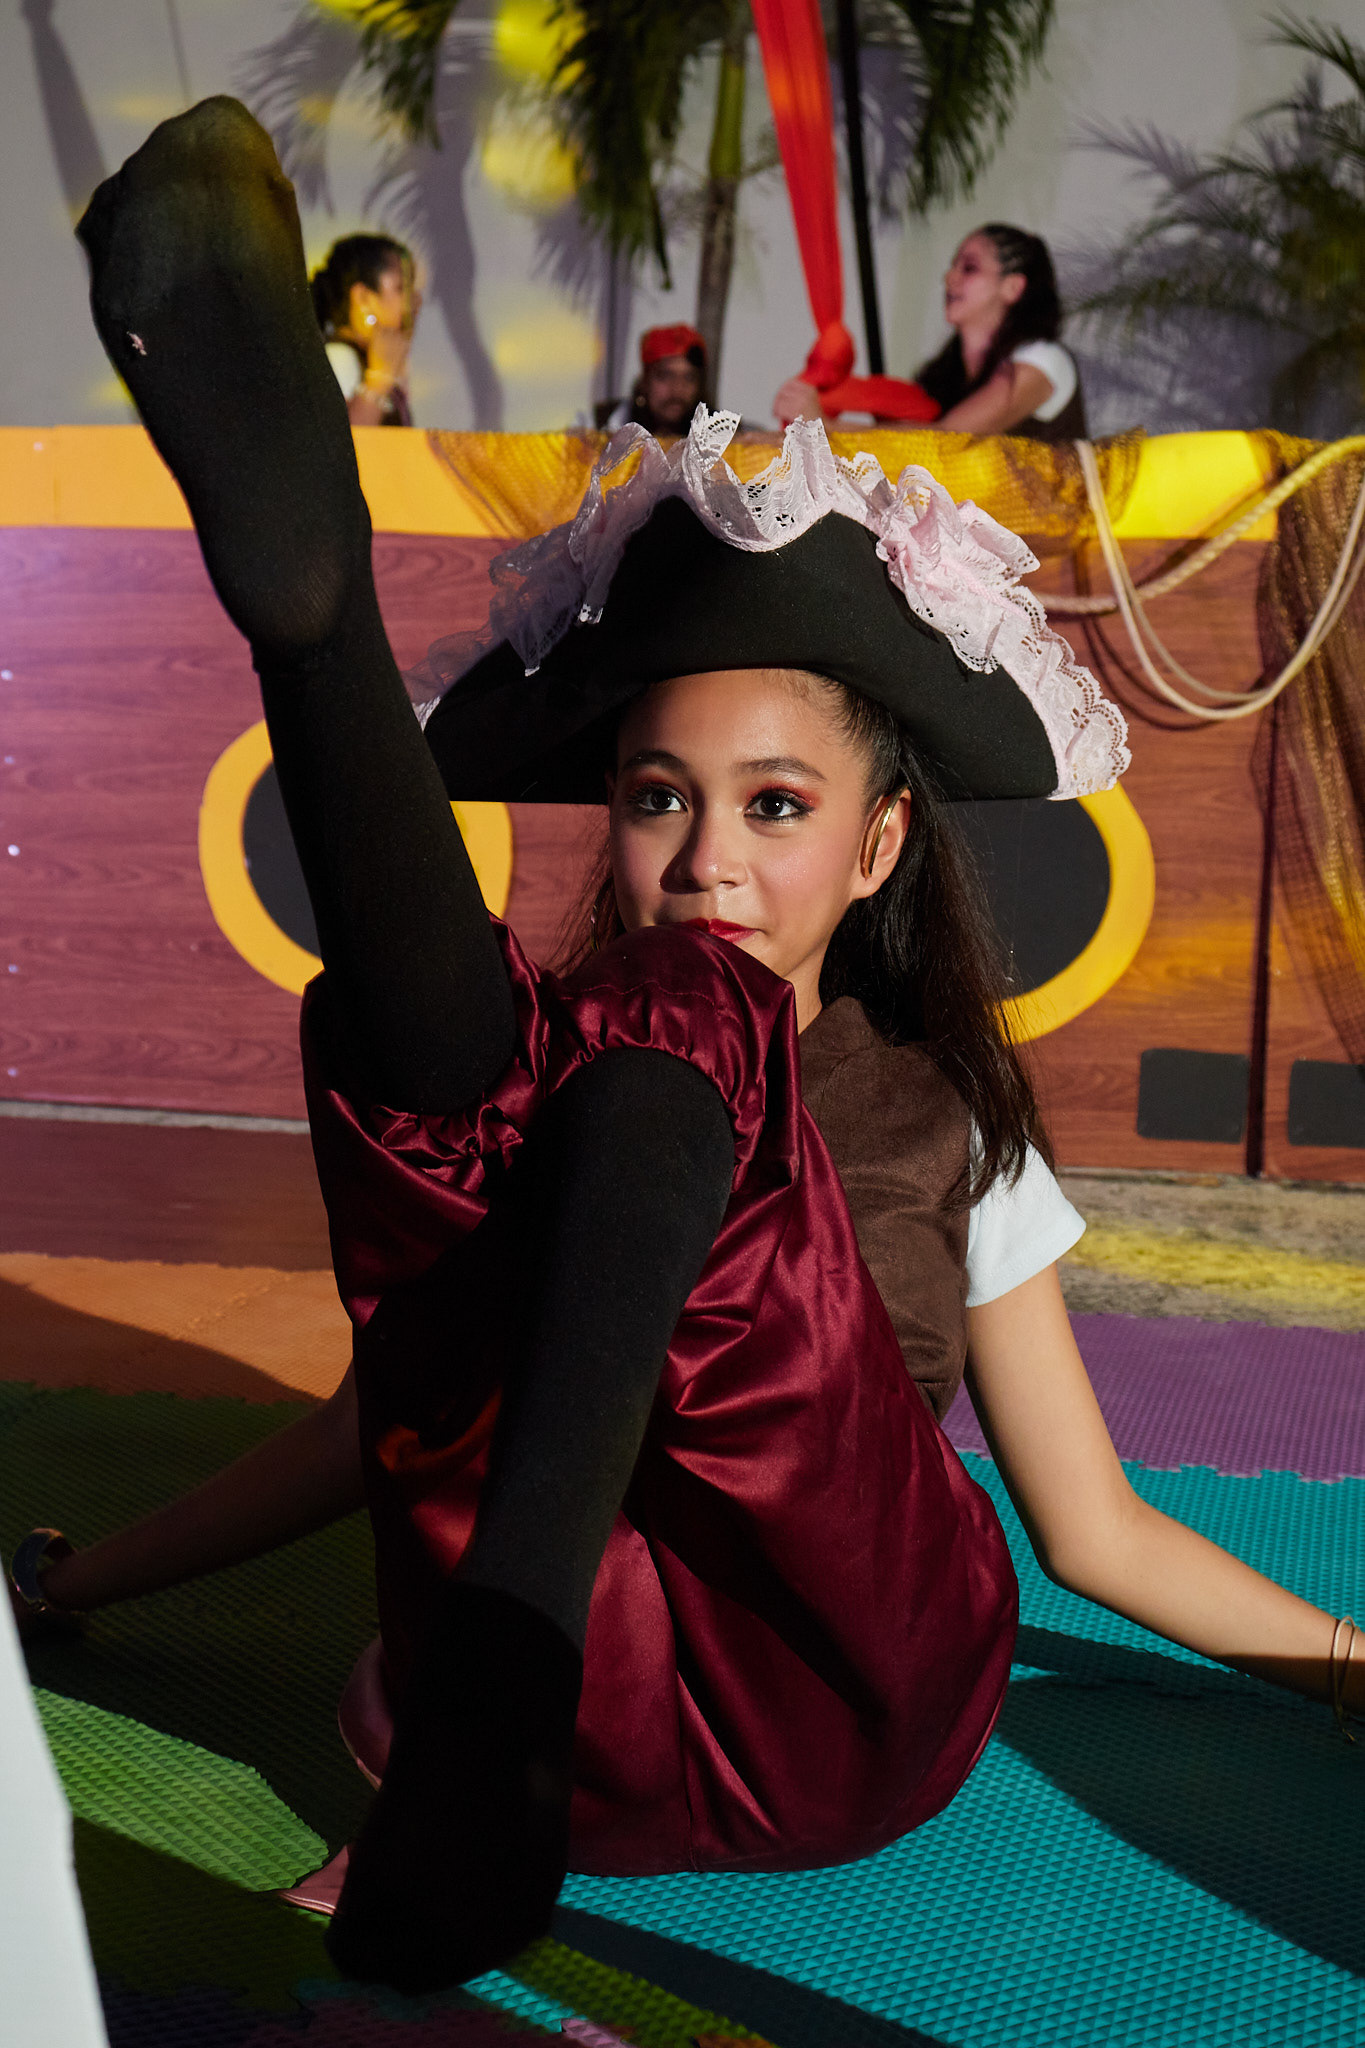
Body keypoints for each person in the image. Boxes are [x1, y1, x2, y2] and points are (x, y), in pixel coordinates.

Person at [13, 100, 1362, 2005]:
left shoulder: (946, 1115)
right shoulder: (566, 1062)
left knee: (668, 1021)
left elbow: (1095, 1527)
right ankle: (308, 634)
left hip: (846, 1690)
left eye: (777, 804)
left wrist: (1349, 1661)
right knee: (471, 1129)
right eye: (658, 796)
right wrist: (79, 1581)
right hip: (596, 1738)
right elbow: (382, 1419)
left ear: (879, 845)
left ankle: (494, 1675)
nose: (708, 855)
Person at [774, 224, 1085, 441]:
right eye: (953, 266)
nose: (949, 278)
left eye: (969, 268)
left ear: (1013, 287)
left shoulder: (1044, 361)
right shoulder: (945, 377)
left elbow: (947, 439)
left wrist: (825, 426)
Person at [311, 231, 421, 427]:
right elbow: (339, 441)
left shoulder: (369, 361)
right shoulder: (340, 358)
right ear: (362, 297)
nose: (414, 300)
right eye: (401, 288)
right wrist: (378, 381)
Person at [596, 323, 707, 436]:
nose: (678, 390)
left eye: (689, 378)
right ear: (645, 381)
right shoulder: (602, 425)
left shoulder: (714, 436)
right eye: (665, 376)